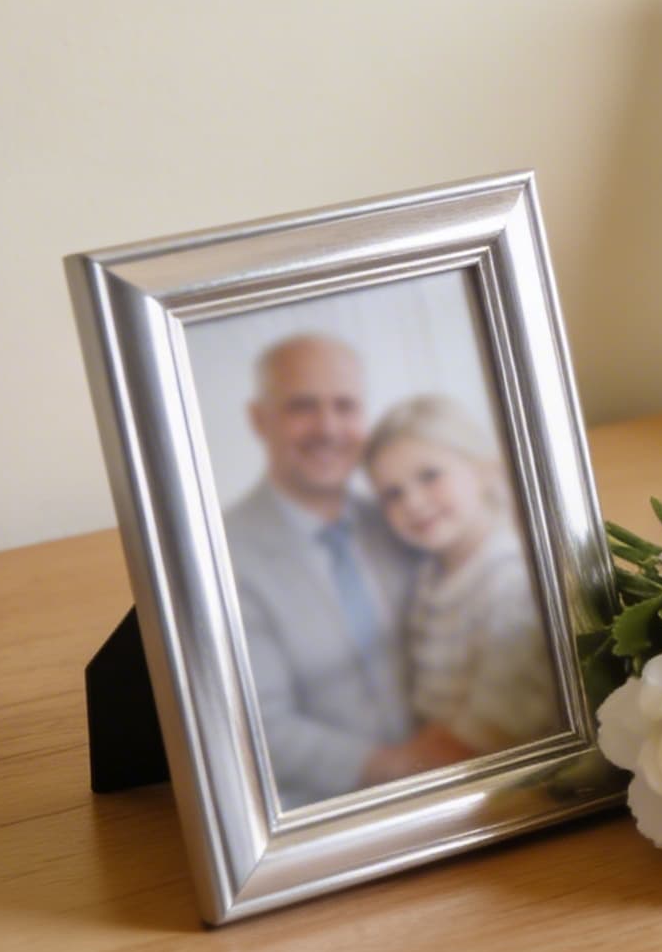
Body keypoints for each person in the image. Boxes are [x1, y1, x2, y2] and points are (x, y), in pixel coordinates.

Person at [219, 335, 473, 809]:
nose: (328, 427)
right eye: (302, 406)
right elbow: (251, 724)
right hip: (319, 812)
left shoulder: (401, 520)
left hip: (454, 785)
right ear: (260, 419)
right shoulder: (223, 555)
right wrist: (401, 764)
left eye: (345, 406)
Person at [364, 394, 560, 757]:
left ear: (484, 471)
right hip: (438, 747)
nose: (413, 502)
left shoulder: (512, 581)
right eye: (392, 494)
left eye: (429, 476)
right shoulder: (429, 577)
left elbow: (493, 729)